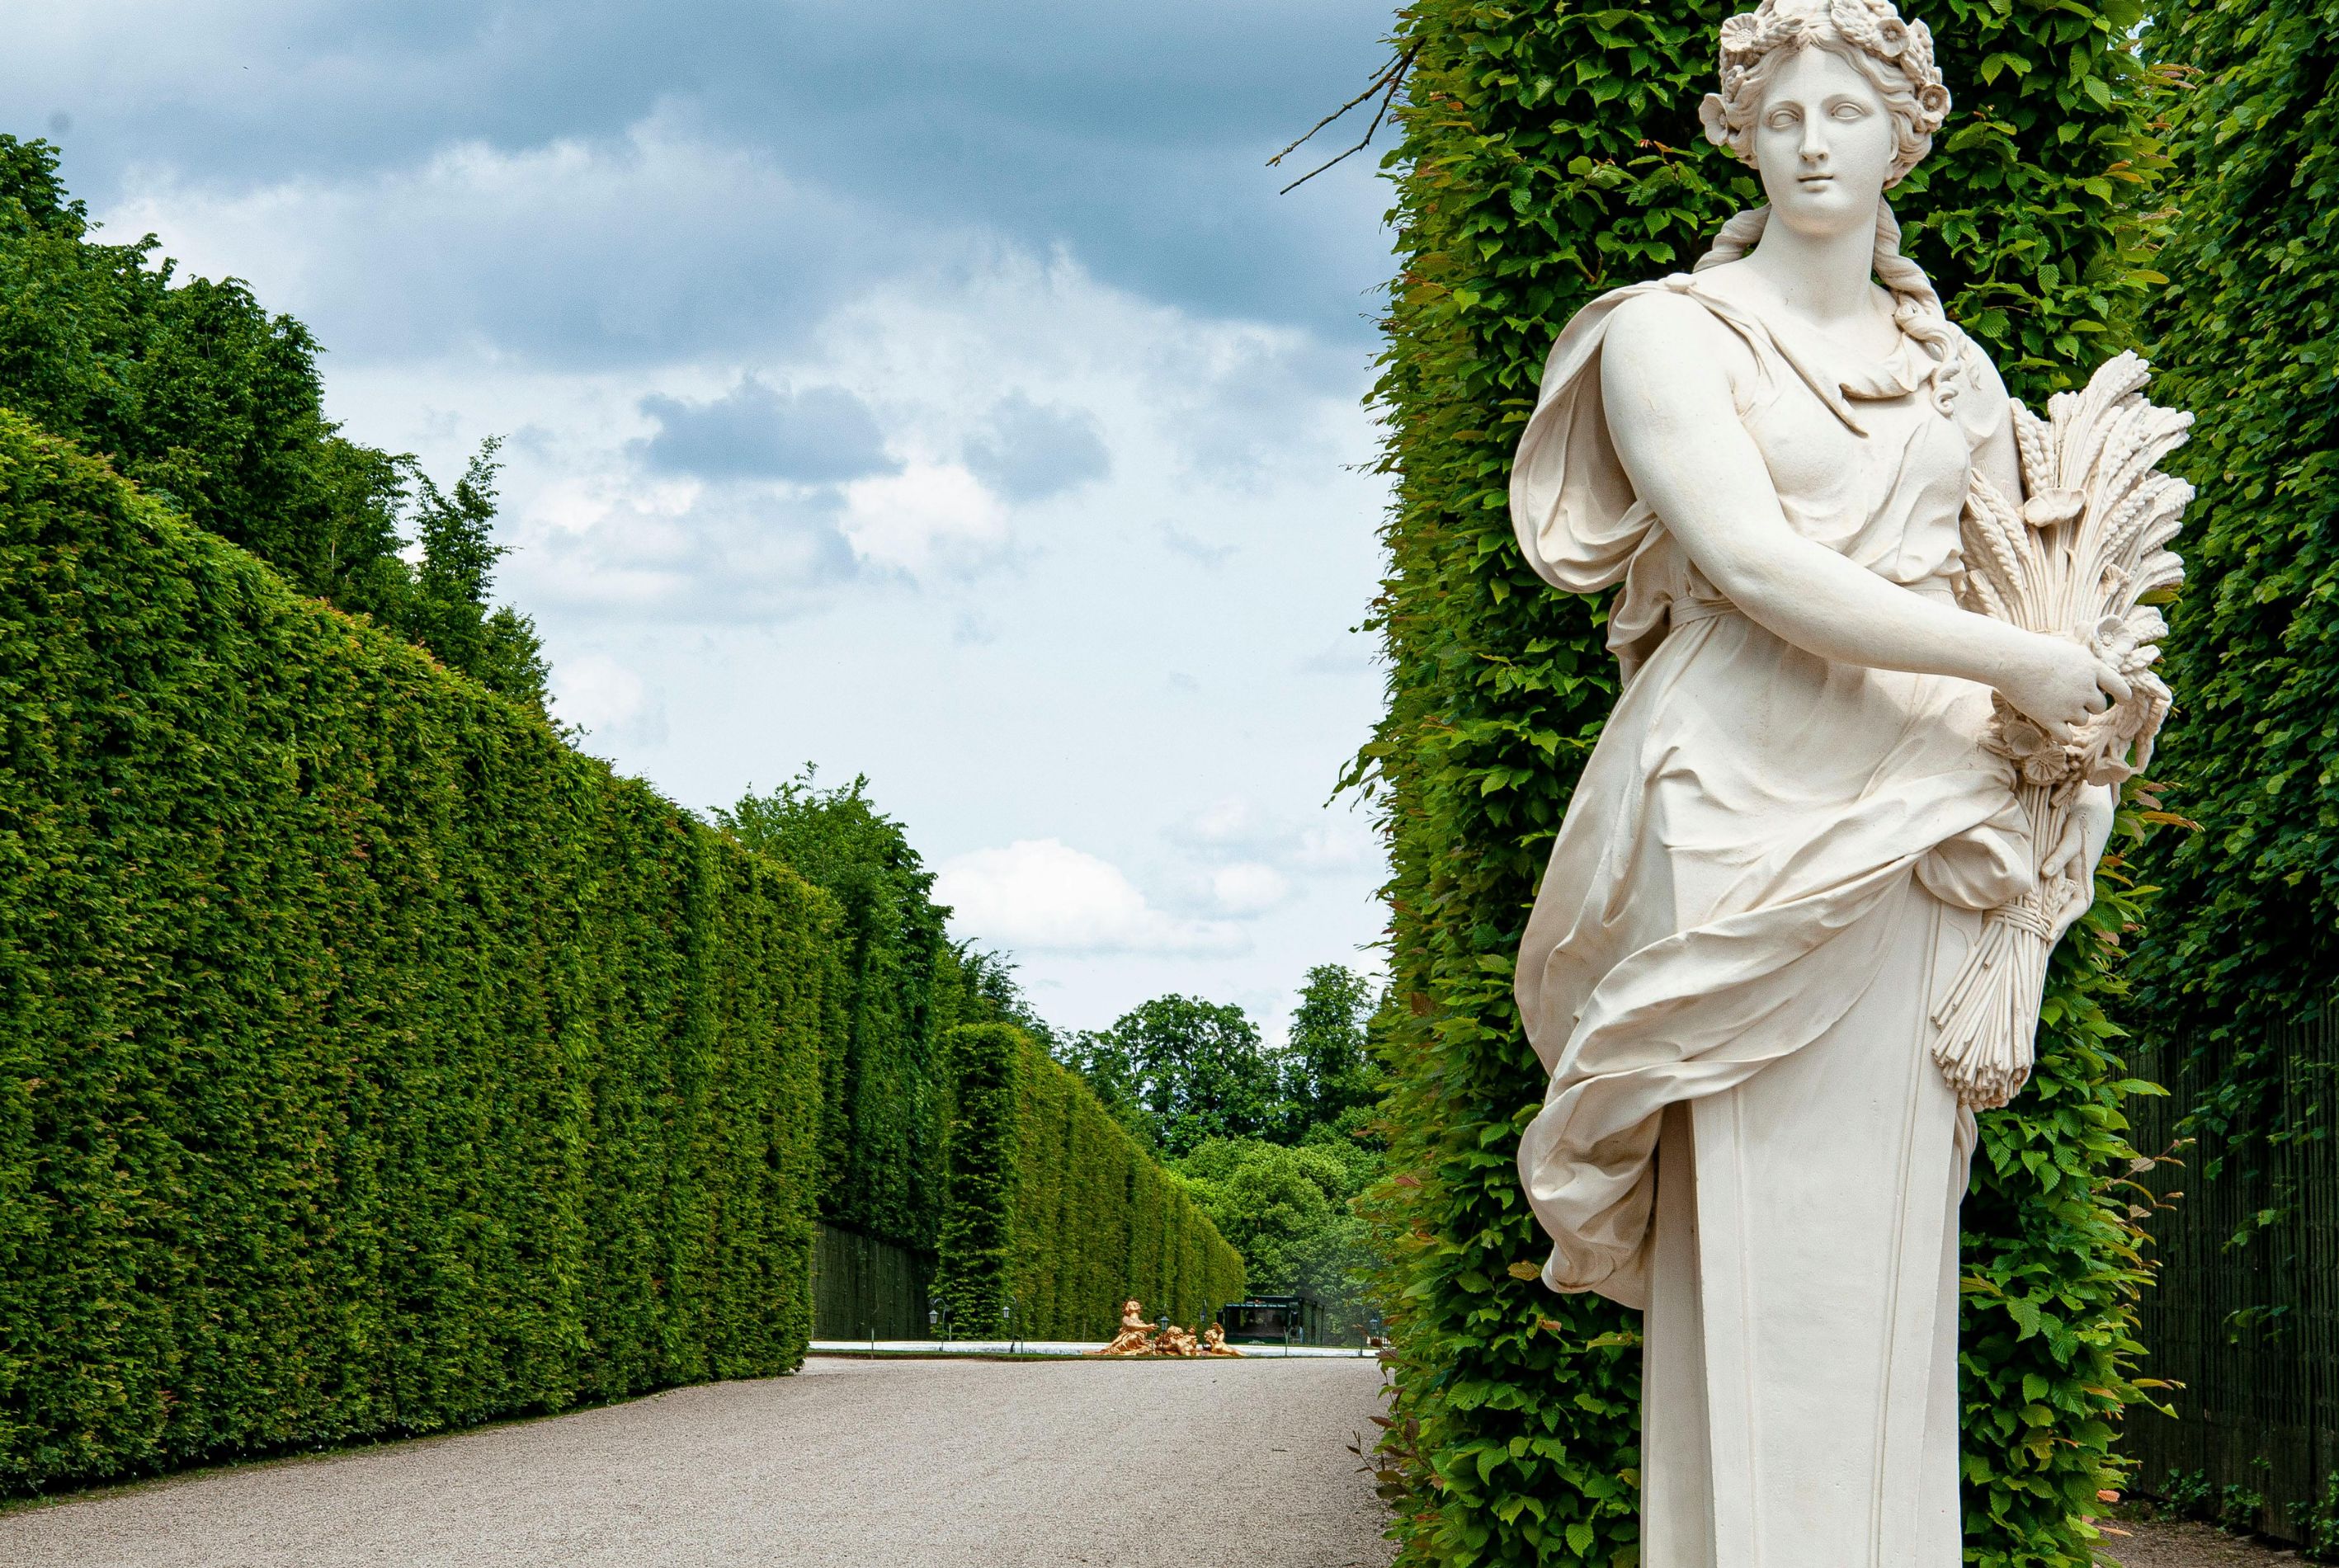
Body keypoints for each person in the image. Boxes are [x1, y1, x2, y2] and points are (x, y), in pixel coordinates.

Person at [1505, 2, 2124, 1561]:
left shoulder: (1958, 373)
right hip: (1739, 789)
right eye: (1780, 114)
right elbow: (1750, 560)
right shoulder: (1667, 332)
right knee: (1761, 1248)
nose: (1811, 140)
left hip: (1923, 807)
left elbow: (2023, 602)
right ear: (1742, 134)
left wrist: (2082, 698)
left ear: (1903, 131)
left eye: (1845, 111)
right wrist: (2017, 670)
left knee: (1888, 1260)